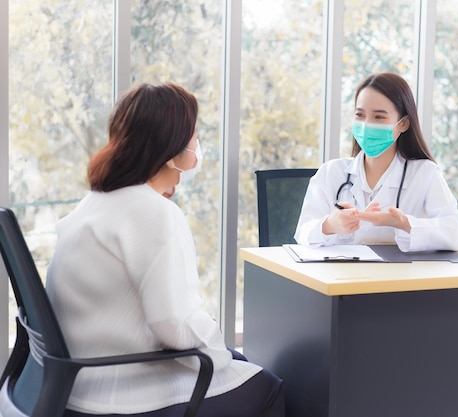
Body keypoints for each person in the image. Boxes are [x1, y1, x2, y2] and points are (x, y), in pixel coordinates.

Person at [45, 82, 284, 417]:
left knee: (235, 361)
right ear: (172, 149)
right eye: (194, 137)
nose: (197, 147)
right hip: (120, 391)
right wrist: (210, 330)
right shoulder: (155, 213)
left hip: (74, 382)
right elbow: (172, 325)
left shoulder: (95, 203)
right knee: (268, 387)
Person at [295, 72, 458, 252]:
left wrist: (404, 223)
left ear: (403, 123)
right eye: (360, 115)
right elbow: (303, 232)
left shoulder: (424, 173)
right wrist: (329, 225)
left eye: (379, 117)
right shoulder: (331, 172)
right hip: (340, 277)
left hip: (401, 278)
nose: (366, 124)